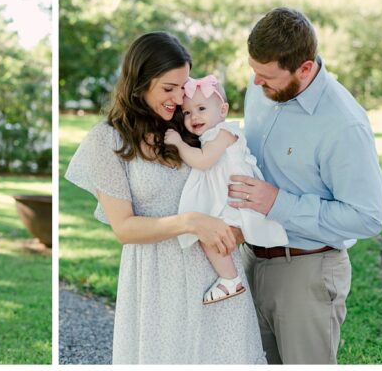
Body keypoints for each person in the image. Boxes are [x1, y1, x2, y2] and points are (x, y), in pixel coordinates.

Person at [65, 32, 265, 364]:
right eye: (168, 88)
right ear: (139, 82)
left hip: (214, 275)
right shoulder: (107, 140)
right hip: (157, 281)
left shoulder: (191, 127)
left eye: (182, 87)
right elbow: (124, 229)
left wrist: (238, 223)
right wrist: (190, 222)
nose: (177, 98)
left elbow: (225, 178)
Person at [226, 7, 382, 364]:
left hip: (306, 273)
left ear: (305, 69)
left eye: (267, 76)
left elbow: (367, 217)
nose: (256, 83)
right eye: (253, 71)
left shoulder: (343, 124)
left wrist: (278, 203)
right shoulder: (261, 92)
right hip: (249, 261)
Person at [165, 74, 288, 305]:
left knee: (210, 237)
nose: (194, 116)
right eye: (188, 112)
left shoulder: (224, 133)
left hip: (237, 204)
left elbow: (203, 161)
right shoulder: (213, 135)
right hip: (231, 199)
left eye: (201, 108)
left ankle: (230, 279)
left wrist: (179, 144)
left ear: (222, 110)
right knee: (210, 235)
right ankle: (229, 277)